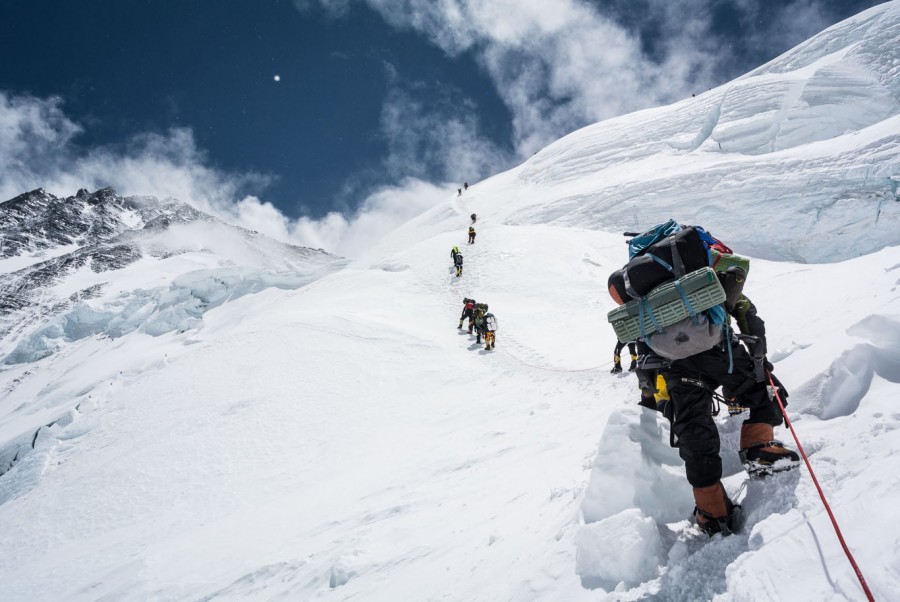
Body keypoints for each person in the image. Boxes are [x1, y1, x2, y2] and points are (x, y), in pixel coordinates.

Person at [657, 292, 799, 536]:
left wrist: (656, 394)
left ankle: (711, 509)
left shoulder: (641, 289)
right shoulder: (704, 268)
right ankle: (759, 448)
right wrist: (758, 354)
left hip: (674, 364)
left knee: (693, 426)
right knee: (765, 390)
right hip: (719, 351)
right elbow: (745, 310)